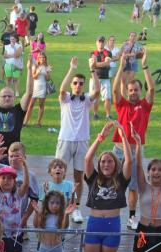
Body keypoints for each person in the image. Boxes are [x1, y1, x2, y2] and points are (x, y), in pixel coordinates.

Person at [77, 121, 132, 252]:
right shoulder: (93, 178)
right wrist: (100, 138)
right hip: (94, 225)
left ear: (115, 164)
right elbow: (87, 158)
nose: (106, 164)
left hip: (112, 226)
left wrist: (124, 138)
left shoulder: (121, 180)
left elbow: (129, 161)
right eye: (103, 162)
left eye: (109, 161)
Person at [111, 49, 155, 231]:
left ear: (140, 91)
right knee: (112, 184)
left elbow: (152, 89)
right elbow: (115, 90)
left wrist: (145, 65)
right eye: (130, 90)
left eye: (136, 90)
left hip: (135, 151)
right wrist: (121, 67)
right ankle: (111, 212)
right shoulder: (122, 104)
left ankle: (131, 217)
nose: (133, 92)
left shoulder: (145, 106)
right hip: (119, 150)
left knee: (133, 186)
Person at [56, 56, 100, 224]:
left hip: (82, 141)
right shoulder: (66, 98)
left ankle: (75, 208)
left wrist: (93, 70)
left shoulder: (87, 99)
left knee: (78, 177)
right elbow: (61, 89)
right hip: (65, 140)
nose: (78, 85)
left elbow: (97, 91)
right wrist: (72, 68)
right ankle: (58, 205)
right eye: (75, 83)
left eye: (81, 83)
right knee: (58, 173)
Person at [0, 54, 33, 151]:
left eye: (9, 96)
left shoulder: (19, 110)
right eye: (4, 96)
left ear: (14, 98)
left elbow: (29, 93)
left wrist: (29, 69)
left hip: (13, 154)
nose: (7, 98)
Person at [89, 36, 113, 121]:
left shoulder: (108, 53)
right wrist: (103, 63)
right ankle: (95, 114)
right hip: (94, 78)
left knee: (107, 97)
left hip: (105, 78)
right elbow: (93, 64)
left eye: (102, 42)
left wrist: (96, 64)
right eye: (99, 41)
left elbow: (107, 64)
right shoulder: (93, 53)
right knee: (95, 97)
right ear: (96, 43)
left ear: (105, 43)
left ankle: (108, 115)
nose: (101, 43)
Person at [24, 52, 51, 127]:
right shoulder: (35, 66)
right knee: (30, 105)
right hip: (35, 88)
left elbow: (48, 79)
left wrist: (48, 72)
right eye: (41, 57)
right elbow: (34, 77)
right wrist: (38, 72)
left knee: (41, 105)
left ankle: (38, 123)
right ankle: (25, 122)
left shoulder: (47, 67)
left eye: (44, 57)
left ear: (45, 59)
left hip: (43, 88)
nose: (42, 59)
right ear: (38, 58)